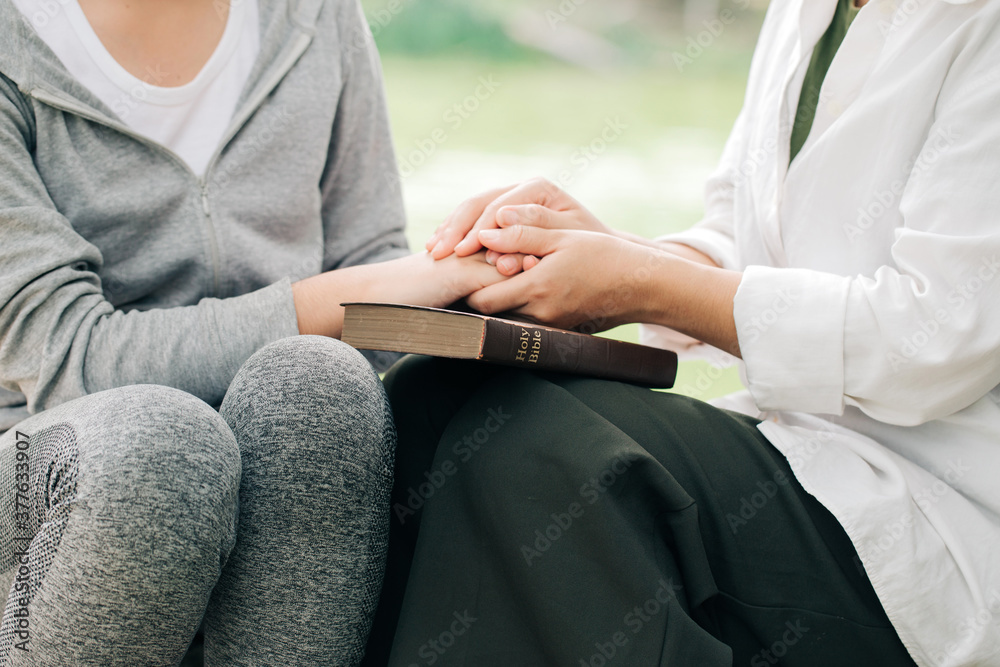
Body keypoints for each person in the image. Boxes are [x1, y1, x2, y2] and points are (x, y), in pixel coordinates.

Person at [364, 0, 1000, 665]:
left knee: (547, 450)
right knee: (431, 399)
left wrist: (639, 282)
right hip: (793, 447)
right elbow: (741, 230)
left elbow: (933, 337)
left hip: (931, 517)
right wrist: (598, 254)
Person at [0, 0, 507, 664]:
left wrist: (496, 278)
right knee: (162, 445)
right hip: (38, 465)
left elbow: (374, 269)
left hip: (270, 455)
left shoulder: (315, 14)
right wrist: (344, 295)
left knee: (320, 385)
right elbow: (66, 358)